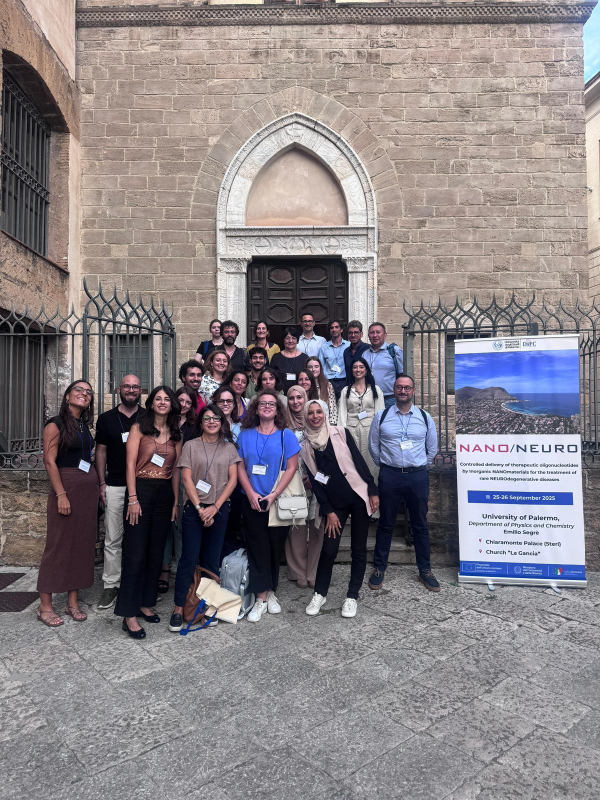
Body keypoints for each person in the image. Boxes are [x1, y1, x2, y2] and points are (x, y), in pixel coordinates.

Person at [115, 386, 182, 639]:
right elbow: (130, 464)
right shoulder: (138, 428)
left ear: (172, 404)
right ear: (151, 403)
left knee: (156, 552)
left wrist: (176, 502)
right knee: (135, 552)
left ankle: (144, 602)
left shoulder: (176, 434)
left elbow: (175, 470)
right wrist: (132, 498)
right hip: (140, 491)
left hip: (165, 494)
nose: (162, 402)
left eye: (167, 399)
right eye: (158, 399)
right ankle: (128, 614)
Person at [302, 400, 379, 619]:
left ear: (325, 414)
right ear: (306, 417)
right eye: (311, 413)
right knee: (329, 549)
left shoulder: (340, 433)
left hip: (357, 496)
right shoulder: (307, 446)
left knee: (358, 548)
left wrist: (372, 489)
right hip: (334, 504)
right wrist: (328, 511)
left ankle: (352, 596)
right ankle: (320, 593)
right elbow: (317, 482)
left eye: (319, 412)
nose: (315, 416)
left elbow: (358, 461)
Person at [168, 404, 241, 633]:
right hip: (194, 509)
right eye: (207, 418)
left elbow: (233, 481)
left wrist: (214, 508)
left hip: (219, 511)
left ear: (222, 422)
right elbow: (187, 479)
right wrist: (200, 508)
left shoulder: (229, 448)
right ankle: (179, 607)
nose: (211, 422)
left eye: (216, 418)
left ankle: (208, 605)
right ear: (201, 422)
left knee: (211, 559)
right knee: (188, 559)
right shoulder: (190, 446)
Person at [368, 374, 439, 592]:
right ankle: (379, 568)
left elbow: (432, 449)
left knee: (420, 524)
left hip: (417, 476)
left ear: (413, 391)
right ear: (395, 390)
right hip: (390, 475)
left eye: (407, 388)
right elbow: (374, 448)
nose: (403, 391)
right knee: (386, 524)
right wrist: (390, 466)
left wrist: (417, 466)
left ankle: (425, 570)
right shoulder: (382, 416)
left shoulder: (425, 417)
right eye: (399, 387)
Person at [36, 380, 99, 627]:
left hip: (87, 489)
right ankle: (45, 606)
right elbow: (49, 461)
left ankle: (72, 602)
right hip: (67, 487)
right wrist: (61, 494)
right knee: (58, 545)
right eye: (79, 390)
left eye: (88, 392)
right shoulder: (56, 423)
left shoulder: (83, 425)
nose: (84, 394)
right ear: (67, 396)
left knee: (82, 545)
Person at [236, 390, 301, 623]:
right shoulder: (244, 435)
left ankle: (270, 590)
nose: (266, 407)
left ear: (277, 409)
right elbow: (240, 467)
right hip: (251, 499)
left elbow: (292, 467)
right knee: (258, 548)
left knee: (275, 548)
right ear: (255, 408)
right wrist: (252, 493)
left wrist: (273, 495)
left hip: (277, 500)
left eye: (271, 404)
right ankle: (261, 598)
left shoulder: (286, 435)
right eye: (262, 403)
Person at [95, 374, 143, 610]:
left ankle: (137, 583)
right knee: (113, 538)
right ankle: (110, 585)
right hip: (114, 484)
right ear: (118, 389)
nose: (131, 390)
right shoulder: (106, 419)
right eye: (127, 386)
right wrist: (101, 483)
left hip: (143, 487)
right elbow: (100, 452)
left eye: (135, 387)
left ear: (141, 391)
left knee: (139, 538)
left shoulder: (147, 417)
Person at [158, 385, 197, 594]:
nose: (183, 405)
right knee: (165, 525)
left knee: (182, 526)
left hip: (185, 479)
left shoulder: (194, 426)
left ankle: (184, 570)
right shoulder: (166, 422)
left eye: (188, 402)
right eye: (180, 400)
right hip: (163, 476)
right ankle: (164, 569)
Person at [284, 386, 324, 589]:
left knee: (316, 528)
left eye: (299, 397)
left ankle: (313, 570)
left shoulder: (316, 420)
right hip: (293, 483)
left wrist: (315, 478)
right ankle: (298, 571)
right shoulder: (283, 425)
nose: (295, 401)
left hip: (317, 483)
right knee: (296, 528)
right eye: (291, 398)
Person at [338, 357, 384, 488]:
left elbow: (379, 413)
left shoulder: (375, 389)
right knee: (352, 463)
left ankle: (373, 494)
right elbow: (342, 413)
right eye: (355, 367)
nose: (358, 370)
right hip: (351, 431)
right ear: (351, 370)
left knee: (370, 464)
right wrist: (342, 435)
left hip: (370, 430)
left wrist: (379, 434)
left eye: (361, 367)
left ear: (366, 370)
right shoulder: (346, 390)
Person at [364, 322, 404, 407]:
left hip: (389, 399)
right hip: (369, 398)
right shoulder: (364, 354)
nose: (375, 335)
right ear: (368, 336)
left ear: (385, 335)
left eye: (378, 332)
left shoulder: (394, 351)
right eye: (372, 333)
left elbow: (402, 374)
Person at [271, 326, 309, 393]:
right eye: (287, 338)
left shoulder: (304, 358)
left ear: (297, 341)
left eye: (293, 338)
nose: (290, 341)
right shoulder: (276, 357)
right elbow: (271, 377)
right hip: (280, 395)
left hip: (299, 395)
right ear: (283, 340)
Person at [318, 319, 350, 399]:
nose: (334, 329)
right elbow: (321, 366)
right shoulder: (324, 347)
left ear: (341, 329)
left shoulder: (349, 346)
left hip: (345, 381)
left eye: (336, 327)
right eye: (332, 328)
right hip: (329, 382)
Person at [305, 357, 338, 424]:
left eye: (316, 367)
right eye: (310, 367)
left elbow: (333, 409)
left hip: (325, 424)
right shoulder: (304, 385)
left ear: (320, 368)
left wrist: (332, 426)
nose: (313, 369)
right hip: (308, 425)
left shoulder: (327, 385)